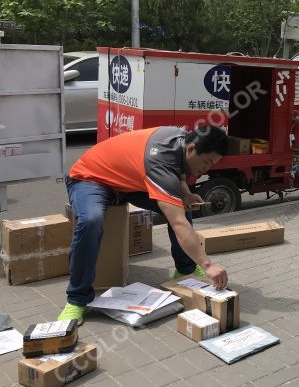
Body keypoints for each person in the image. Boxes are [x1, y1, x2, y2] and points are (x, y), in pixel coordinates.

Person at [58, 124, 230, 324]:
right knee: (91, 221)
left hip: (126, 183)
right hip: (90, 179)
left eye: (212, 164)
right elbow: (178, 222)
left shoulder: (183, 138)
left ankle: (185, 269)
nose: (206, 168)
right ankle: (77, 299)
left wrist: (186, 194)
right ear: (191, 149)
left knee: (179, 205)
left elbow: (179, 171)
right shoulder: (159, 163)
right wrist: (208, 265)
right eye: (206, 162)